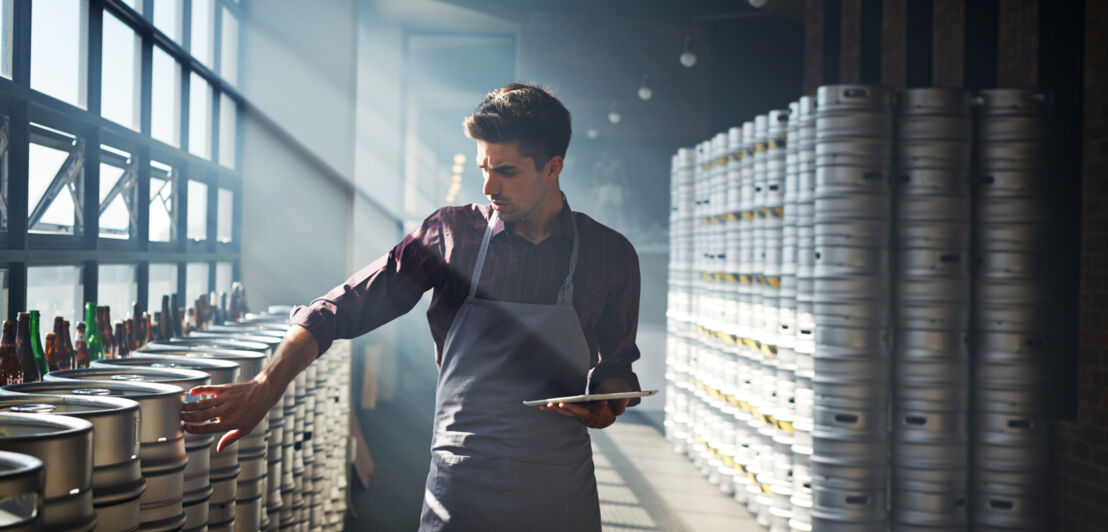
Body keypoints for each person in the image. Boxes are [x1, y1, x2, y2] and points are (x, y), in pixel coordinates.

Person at [181, 82, 644, 532]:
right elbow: (345, 305)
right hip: (464, 474)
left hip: (558, 482)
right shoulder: (453, 236)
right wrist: (267, 382)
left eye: (506, 171)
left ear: (553, 167)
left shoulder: (611, 255)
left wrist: (608, 403)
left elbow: (617, 366)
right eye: (484, 167)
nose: (488, 187)